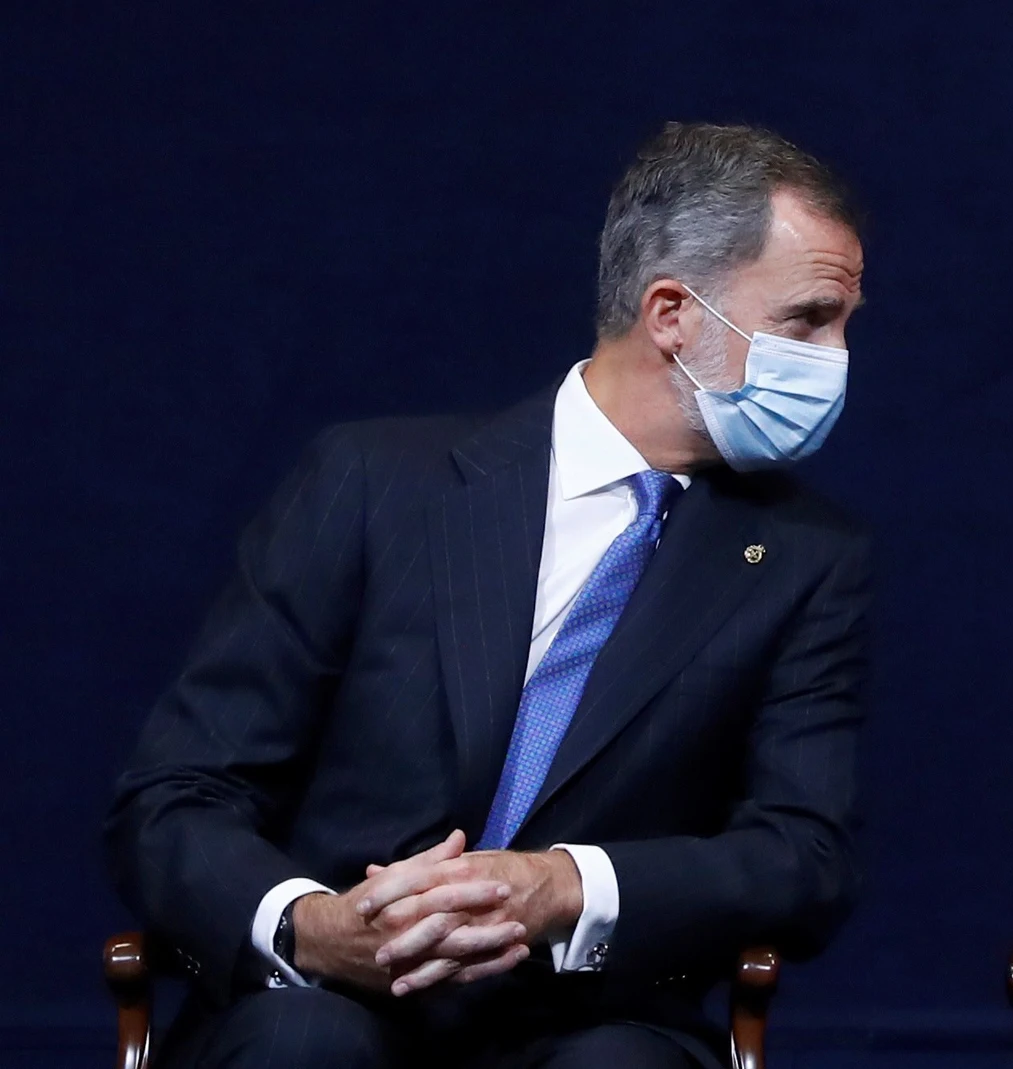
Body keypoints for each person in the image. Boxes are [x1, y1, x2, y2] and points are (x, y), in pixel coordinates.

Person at [104, 122, 871, 1069]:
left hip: (590, 1017)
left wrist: (564, 886)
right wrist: (308, 925)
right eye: (808, 319)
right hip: (324, 999)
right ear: (673, 314)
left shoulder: (803, 557)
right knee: (304, 1048)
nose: (836, 357)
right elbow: (175, 794)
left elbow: (805, 856)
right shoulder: (374, 483)